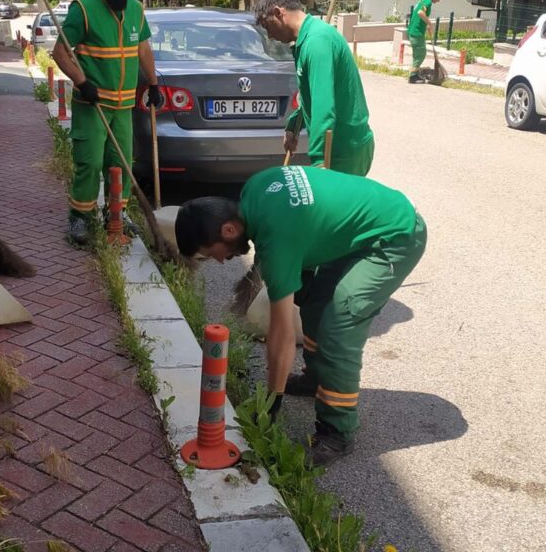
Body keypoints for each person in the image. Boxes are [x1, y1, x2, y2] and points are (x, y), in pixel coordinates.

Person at [175, 166, 427, 466]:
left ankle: (337, 430)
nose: (219, 260)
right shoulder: (253, 189)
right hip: (359, 229)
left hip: (394, 235)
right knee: (312, 300)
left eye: (211, 252)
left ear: (228, 230)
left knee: (339, 320)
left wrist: (271, 402)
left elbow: (280, 337)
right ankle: (317, 378)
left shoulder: (276, 241)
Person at [52, 0, 161, 245]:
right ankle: (80, 218)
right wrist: (82, 81)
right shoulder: (84, 10)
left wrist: (153, 83)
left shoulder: (136, 10)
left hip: (123, 106)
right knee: (89, 162)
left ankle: (117, 214)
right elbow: (60, 52)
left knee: (123, 162)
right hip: (93, 104)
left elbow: (143, 49)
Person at [254, 0, 374, 177]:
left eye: (266, 26)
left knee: (333, 206)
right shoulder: (305, 40)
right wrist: (294, 125)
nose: (269, 36)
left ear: (278, 13)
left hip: (343, 150)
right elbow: (311, 95)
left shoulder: (317, 42)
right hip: (335, 147)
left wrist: (319, 161)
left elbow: (324, 107)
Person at [407, 0, 444, 84]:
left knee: (417, 54)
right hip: (417, 32)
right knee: (421, 54)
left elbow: (419, 13)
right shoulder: (427, 2)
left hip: (413, 31)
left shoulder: (424, 0)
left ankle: (414, 74)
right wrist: (430, 23)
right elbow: (420, 13)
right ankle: (413, 77)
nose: (439, 0)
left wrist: (426, 24)